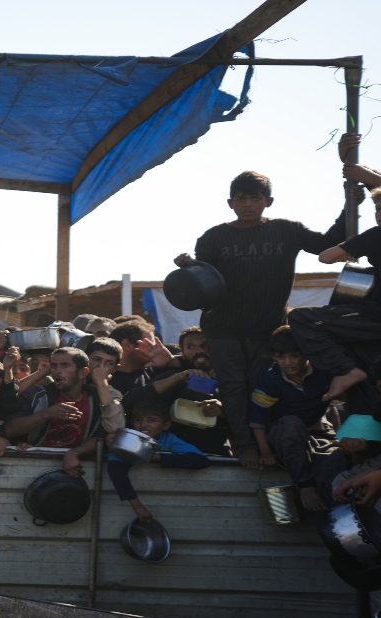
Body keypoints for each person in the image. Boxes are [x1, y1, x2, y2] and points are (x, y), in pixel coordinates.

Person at [175, 170, 349, 468]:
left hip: (266, 329)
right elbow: (201, 283)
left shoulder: (287, 230)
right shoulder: (214, 237)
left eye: (254, 198)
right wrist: (187, 267)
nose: (247, 204)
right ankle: (243, 446)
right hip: (222, 329)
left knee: (263, 387)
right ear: (230, 203)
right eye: (241, 199)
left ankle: (268, 445)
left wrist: (349, 205)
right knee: (232, 387)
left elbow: (327, 245)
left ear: (268, 201)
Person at [289, 186, 381, 405]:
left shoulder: (377, 234)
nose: (379, 214)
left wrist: (349, 247)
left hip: (375, 315)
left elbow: (326, 257)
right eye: (377, 208)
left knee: (303, 319)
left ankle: (346, 371)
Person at [248, 326, 346, 511]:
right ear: (273, 356)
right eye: (280, 356)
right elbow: (258, 419)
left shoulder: (323, 371)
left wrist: (339, 439)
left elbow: (342, 402)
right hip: (283, 433)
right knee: (291, 423)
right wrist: (266, 452)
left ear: (306, 354)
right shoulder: (269, 377)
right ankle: (305, 486)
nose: (287, 362)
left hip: (316, 429)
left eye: (294, 356)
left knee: (333, 464)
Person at [5, 347, 123, 477]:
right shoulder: (36, 394)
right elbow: (11, 429)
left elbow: (102, 436)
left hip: (79, 472)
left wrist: (75, 453)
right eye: (54, 366)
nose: (57, 371)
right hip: (30, 469)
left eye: (65, 366)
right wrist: (46, 414)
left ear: (83, 372)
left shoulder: (96, 399)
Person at [119, 327, 234, 456]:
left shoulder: (232, 378)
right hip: (173, 456)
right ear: (183, 353)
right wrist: (178, 377)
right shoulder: (173, 377)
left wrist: (223, 409)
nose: (199, 351)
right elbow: (130, 401)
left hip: (217, 458)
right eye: (190, 347)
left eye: (205, 345)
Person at [107, 399, 211, 523]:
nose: (144, 425)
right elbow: (116, 471)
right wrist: (137, 506)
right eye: (138, 419)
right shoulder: (125, 442)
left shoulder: (169, 439)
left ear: (166, 425)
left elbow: (200, 460)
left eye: (151, 420)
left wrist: (154, 457)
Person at [108, 320, 175, 394]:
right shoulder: (105, 380)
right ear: (128, 344)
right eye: (150, 345)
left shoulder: (157, 372)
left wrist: (172, 361)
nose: (155, 349)